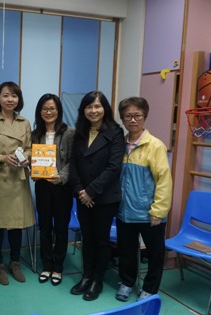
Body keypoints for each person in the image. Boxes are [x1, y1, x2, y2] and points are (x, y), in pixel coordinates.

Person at [114, 96, 172, 302]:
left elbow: (164, 180)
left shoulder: (155, 145)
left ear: (144, 117)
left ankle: (150, 288)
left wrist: (158, 210)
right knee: (127, 250)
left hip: (149, 212)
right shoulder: (119, 144)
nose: (132, 120)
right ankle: (127, 282)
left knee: (155, 253)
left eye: (137, 115)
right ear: (122, 119)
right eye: (128, 116)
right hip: (124, 211)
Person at [69, 91, 124, 301]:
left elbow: (114, 167)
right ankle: (86, 276)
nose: (94, 110)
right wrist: (81, 190)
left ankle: (97, 280)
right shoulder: (80, 132)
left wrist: (90, 191)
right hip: (83, 197)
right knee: (87, 239)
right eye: (89, 106)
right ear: (84, 110)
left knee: (101, 241)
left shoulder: (115, 132)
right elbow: (73, 164)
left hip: (104, 197)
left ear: (105, 109)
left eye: (98, 106)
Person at [0, 81, 35, 286]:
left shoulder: (25, 122)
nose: (10, 99)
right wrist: (2, 158)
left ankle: (15, 262)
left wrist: (23, 156)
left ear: (18, 99)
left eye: (14, 95)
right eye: (5, 95)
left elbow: (30, 148)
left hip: (17, 179)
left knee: (16, 225)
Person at [31, 93, 75, 286]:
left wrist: (62, 177)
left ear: (58, 111)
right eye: (45, 109)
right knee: (45, 227)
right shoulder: (35, 134)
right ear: (39, 112)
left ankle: (58, 267)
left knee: (61, 228)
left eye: (52, 109)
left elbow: (74, 162)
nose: (48, 112)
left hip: (62, 188)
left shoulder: (70, 133)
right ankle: (46, 265)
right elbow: (32, 159)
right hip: (42, 187)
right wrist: (31, 169)